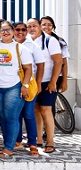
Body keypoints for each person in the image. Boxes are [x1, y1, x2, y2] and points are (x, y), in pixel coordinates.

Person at [0, 20, 33, 158]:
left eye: (8, 29)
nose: (5, 32)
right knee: (4, 117)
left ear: (12, 30)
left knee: (11, 117)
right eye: (2, 30)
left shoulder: (20, 48)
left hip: (14, 87)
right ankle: (7, 144)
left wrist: (25, 85)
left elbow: (28, 69)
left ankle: (9, 148)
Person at [27, 18, 62, 154]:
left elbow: (58, 62)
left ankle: (50, 141)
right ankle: (39, 138)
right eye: (29, 26)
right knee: (35, 109)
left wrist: (54, 81)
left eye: (34, 26)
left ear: (40, 27)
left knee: (46, 110)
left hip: (47, 81)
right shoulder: (28, 41)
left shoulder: (50, 41)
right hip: (32, 82)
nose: (31, 29)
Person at [13, 21, 45, 156]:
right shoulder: (9, 44)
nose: (20, 32)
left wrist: (38, 84)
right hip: (13, 85)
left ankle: (32, 142)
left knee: (29, 114)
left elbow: (41, 65)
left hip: (29, 84)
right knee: (17, 114)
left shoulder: (33, 45)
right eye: (17, 29)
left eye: (23, 29)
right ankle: (18, 140)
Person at [40, 16, 69, 93]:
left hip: (55, 77)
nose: (46, 27)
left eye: (49, 25)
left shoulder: (59, 41)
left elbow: (64, 62)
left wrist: (64, 80)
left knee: (50, 103)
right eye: (44, 24)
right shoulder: (35, 40)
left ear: (53, 27)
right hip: (41, 77)